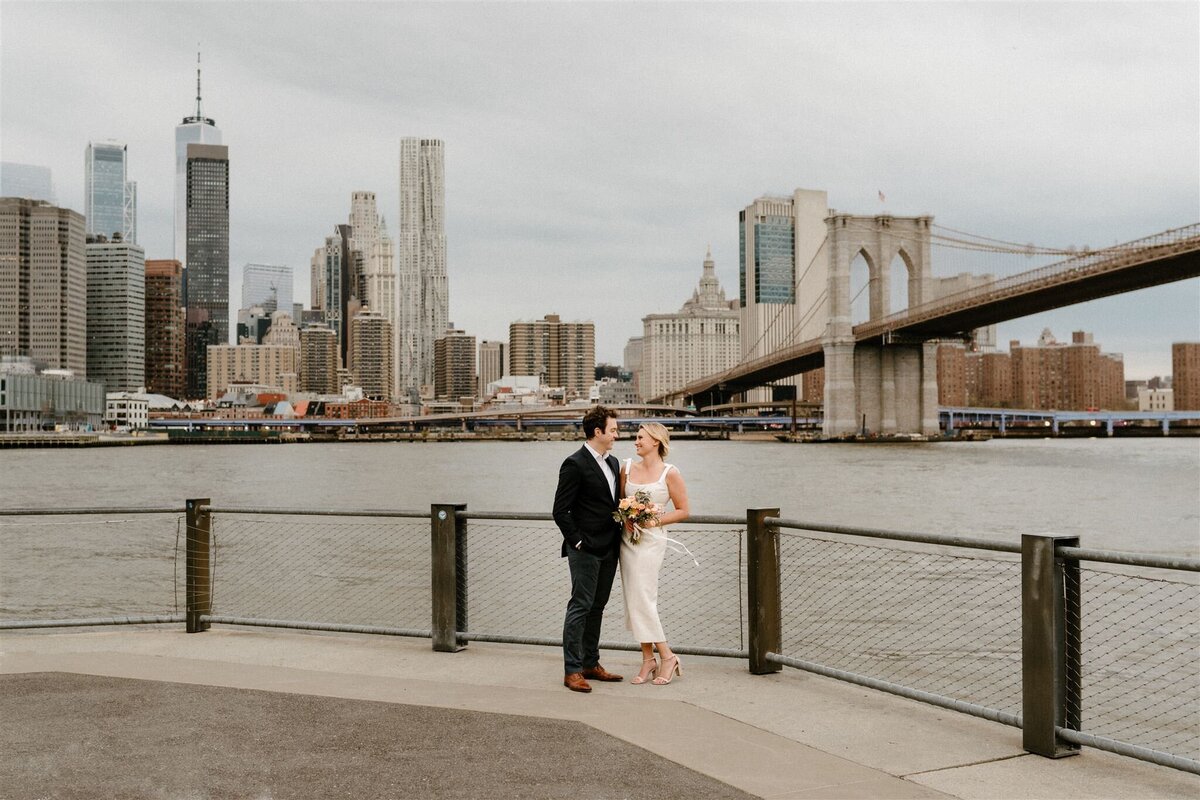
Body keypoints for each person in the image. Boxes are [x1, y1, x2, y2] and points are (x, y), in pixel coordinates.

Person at [552, 405, 625, 693]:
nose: (617, 434)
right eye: (614, 430)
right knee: (580, 606)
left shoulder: (614, 463)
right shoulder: (575, 463)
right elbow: (560, 510)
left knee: (598, 607)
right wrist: (578, 541)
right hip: (584, 549)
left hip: (610, 547)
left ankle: (591, 663)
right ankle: (572, 670)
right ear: (598, 431)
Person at [618, 422, 690, 685]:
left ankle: (667, 656)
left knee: (644, 597)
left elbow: (683, 510)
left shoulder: (670, 473)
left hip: (652, 541)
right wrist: (625, 517)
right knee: (633, 598)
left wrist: (654, 521)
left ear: (656, 442)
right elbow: (618, 502)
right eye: (636, 437)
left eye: (640, 438)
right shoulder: (626, 468)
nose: (635, 441)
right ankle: (648, 659)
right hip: (627, 540)